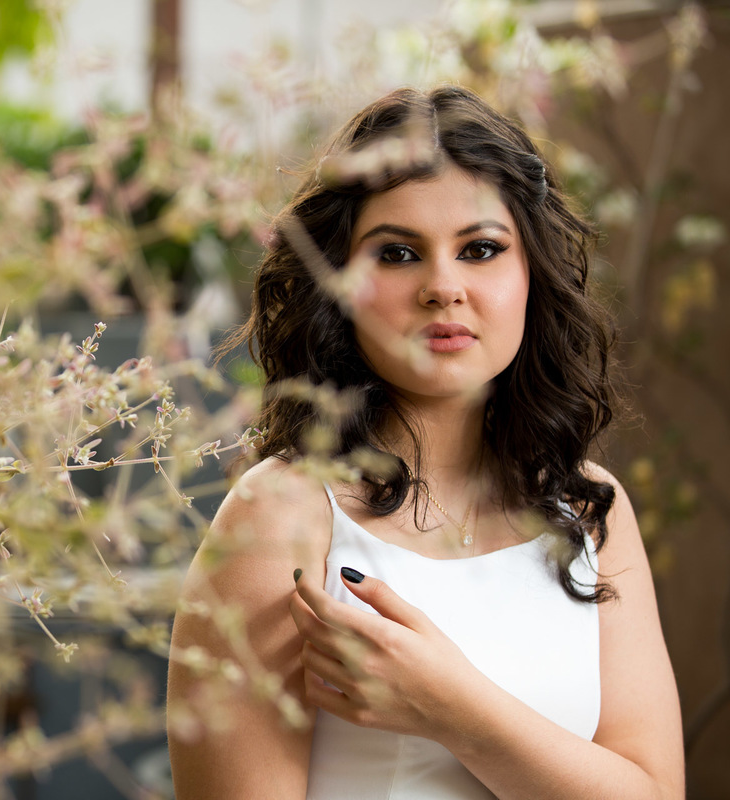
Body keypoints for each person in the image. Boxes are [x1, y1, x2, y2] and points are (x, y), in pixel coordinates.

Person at [166, 85, 684, 799]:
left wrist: (452, 709)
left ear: (533, 273)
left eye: (480, 249)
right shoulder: (280, 518)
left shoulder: (591, 510)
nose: (444, 287)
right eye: (400, 253)